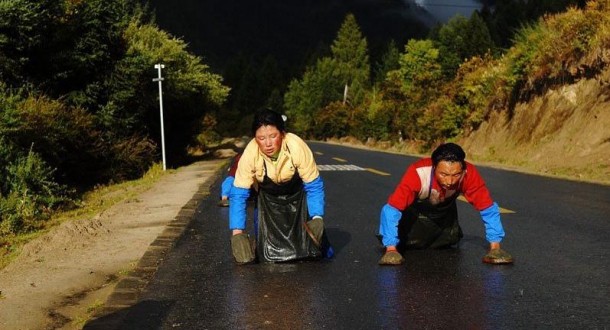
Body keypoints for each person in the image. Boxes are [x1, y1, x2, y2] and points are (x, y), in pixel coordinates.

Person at [377, 142, 513, 265]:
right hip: (414, 215)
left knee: (447, 242)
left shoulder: (469, 174)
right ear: (434, 167)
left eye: (456, 175)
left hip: (443, 214)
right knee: (407, 243)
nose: (450, 181)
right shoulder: (418, 173)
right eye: (443, 174)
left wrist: (495, 247)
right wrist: (390, 249)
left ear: (463, 169)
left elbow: (488, 209)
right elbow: (391, 210)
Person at [228, 109, 330, 264]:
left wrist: (317, 216)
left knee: (319, 249)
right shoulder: (250, 153)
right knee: (262, 253)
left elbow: (314, 185)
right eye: (261, 138)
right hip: (266, 196)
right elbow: (238, 194)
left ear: (282, 134)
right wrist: (237, 232)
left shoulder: (296, 146)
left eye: (273, 136)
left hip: (297, 193)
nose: (268, 143)